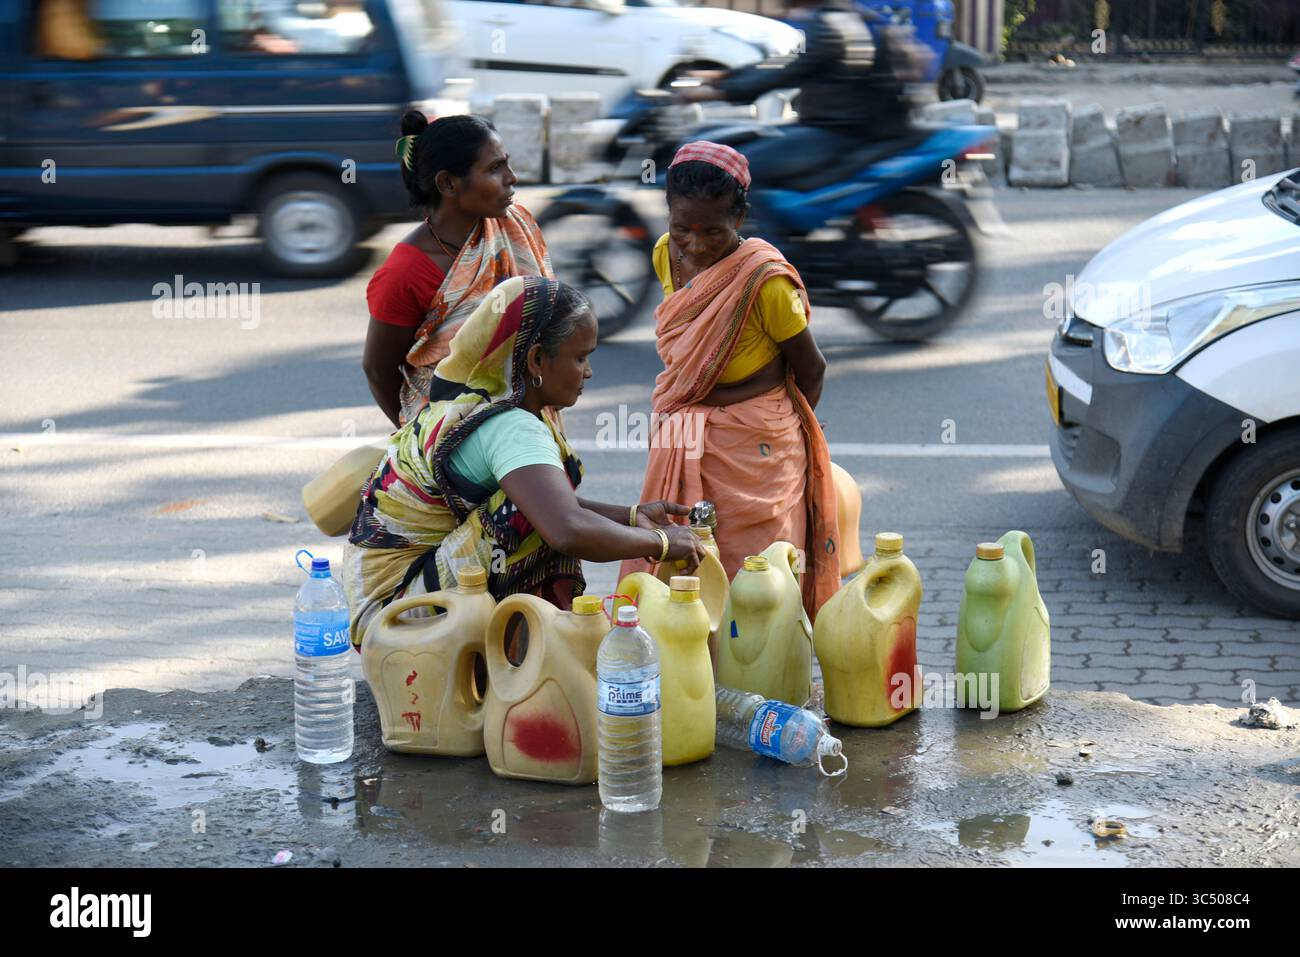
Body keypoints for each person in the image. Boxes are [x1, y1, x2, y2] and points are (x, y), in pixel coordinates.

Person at [344, 275, 706, 651]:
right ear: (536, 359)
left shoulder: (477, 404)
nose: (589, 372)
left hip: (384, 609)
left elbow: (543, 502)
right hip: (395, 620)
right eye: (580, 357)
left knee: (532, 512)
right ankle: (514, 657)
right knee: (532, 522)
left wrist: (631, 516)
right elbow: (565, 528)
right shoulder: (512, 427)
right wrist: (662, 542)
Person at [618, 142, 839, 620]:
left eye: (712, 231)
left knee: (753, 576)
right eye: (682, 230)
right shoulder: (665, 255)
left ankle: (758, 678)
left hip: (756, 444)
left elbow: (812, 368)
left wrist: (776, 436)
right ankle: (695, 677)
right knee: (681, 566)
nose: (695, 245)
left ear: (739, 218)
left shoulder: (765, 280)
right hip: (684, 428)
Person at [363, 110, 553, 429]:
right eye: (495, 168)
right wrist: (421, 438)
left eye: (507, 162)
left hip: (527, 423)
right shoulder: (406, 271)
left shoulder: (515, 226)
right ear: (448, 183)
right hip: (450, 439)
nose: (512, 177)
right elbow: (377, 369)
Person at [675, 0, 911, 184]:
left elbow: (785, 71)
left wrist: (718, 93)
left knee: (740, 170)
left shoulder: (826, 25)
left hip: (833, 133)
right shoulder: (849, 18)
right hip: (848, 128)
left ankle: (774, 244)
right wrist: (724, 76)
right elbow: (785, 63)